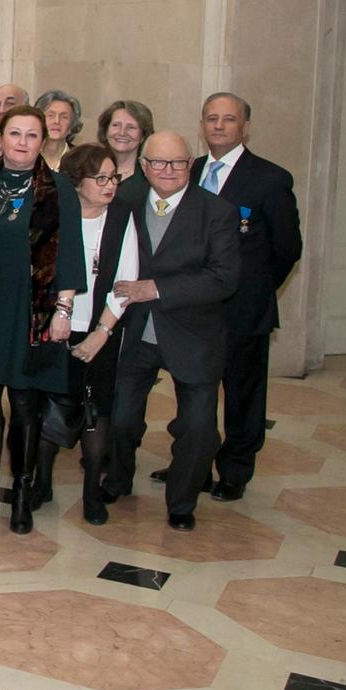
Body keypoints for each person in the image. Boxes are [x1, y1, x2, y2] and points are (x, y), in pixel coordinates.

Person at [109, 131, 240, 531]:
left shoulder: (216, 212)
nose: (169, 171)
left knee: (199, 427)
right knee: (120, 418)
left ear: (191, 165)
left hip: (194, 334)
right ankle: (116, 480)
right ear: (144, 167)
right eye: (159, 163)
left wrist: (157, 289)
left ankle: (181, 502)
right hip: (135, 331)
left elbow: (225, 279)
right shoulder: (125, 203)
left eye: (179, 163)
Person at [0, 106, 65, 534]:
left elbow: (69, 254)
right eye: (14, 133)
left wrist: (63, 311)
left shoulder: (59, 190)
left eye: (31, 135)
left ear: (43, 141)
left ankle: (21, 489)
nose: (22, 142)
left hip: (30, 311)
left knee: (24, 404)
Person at [194, 92, 302, 502]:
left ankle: (235, 468)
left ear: (246, 127)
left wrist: (255, 288)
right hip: (196, 309)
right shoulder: (192, 170)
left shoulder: (270, 179)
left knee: (242, 392)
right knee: (196, 390)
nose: (218, 126)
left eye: (228, 119)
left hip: (244, 308)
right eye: (211, 118)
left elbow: (287, 248)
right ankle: (195, 461)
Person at [53, 143, 138, 525]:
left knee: (96, 410)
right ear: (76, 181)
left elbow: (126, 281)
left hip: (102, 330)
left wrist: (101, 334)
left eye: (113, 177)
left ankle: (92, 492)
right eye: (100, 178)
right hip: (56, 327)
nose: (109, 185)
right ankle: (39, 485)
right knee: (50, 408)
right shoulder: (57, 214)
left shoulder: (121, 216)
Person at [98, 98, 155, 208]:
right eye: (116, 125)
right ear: (105, 130)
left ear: (143, 135)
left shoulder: (151, 176)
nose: (122, 133)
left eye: (131, 127)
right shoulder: (90, 168)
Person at [36, 89, 82, 172]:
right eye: (50, 115)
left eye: (64, 117)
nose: (56, 121)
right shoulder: (28, 155)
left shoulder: (82, 160)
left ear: (72, 126)